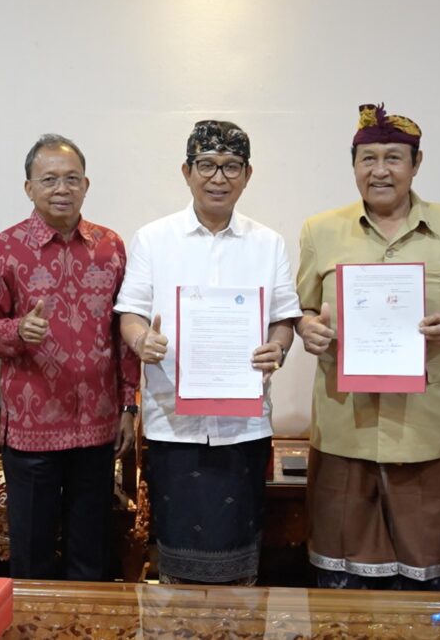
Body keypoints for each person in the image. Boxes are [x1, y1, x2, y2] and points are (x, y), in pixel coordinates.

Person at [296, 103, 440, 590]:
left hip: (423, 422)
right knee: (340, 568)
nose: (381, 170)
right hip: (345, 421)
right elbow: (301, 310)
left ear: (416, 165)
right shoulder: (320, 230)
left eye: (395, 158)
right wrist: (308, 328)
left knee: (422, 565)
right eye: (368, 158)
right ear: (353, 165)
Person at [115, 119, 301, 585]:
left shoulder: (268, 243)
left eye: (231, 167)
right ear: (187, 170)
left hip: (244, 425)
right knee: (177, 552)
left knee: (239, 551)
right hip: (173, 422)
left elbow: (284, 319)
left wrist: (276, 349)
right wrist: (142, 341)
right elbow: (130, 314)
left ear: (248, 173)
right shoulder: (154, 239)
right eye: (207, 165)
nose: (219, 178)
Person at [0, 134, 139, 581]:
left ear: (87, 184)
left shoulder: (112, 246)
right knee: (32, 551)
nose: (61, 189)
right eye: (49, 180)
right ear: (29, 187)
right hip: (32, 430)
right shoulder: (5, 247)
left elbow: (124, 334)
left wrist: (129, 405)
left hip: (98, 425)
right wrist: (17, 330)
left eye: (71, 179)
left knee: (92, 551)